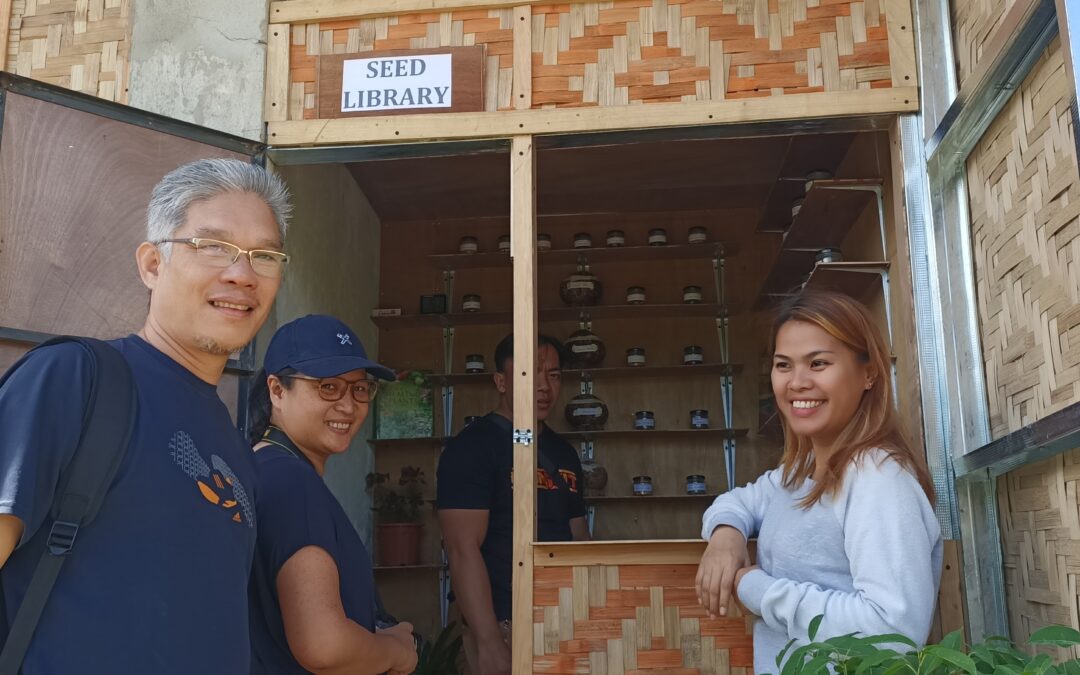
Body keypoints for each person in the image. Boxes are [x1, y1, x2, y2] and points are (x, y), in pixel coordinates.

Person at [0, 158, 292, 673]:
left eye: (264, 255)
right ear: (152, 265)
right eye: (213, 246)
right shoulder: (75, 379)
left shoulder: (233, 448)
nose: (242, 274)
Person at [695, 290, 942, 674]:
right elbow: (739, 501)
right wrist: (726, 536)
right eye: (783, 365)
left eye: (818, 363)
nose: (797, 382)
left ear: (868, 373)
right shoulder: (800, 470)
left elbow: (893, 634)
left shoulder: (877, 479)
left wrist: (753, 587)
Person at [246, 314, 418, 675]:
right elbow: (323, 645)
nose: (348, 405)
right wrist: (397, 651)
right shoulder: (292, 482)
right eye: (327, 387)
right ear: (277, 390)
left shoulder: (263, 469)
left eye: (359, 388)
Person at [437, 333, 590, 675]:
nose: (543, 386)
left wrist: (586, 617)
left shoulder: (563, 453)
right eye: (529, 373)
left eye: (553, 374)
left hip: (561, 618)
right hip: (501, 622)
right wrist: (489, 642)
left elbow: (579, 539)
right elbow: (462, 549)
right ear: (501, 382)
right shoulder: (472, 448)